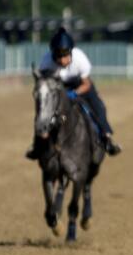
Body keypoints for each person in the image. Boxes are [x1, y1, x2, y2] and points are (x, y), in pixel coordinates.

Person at [27, 28, 121, 158]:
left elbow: (87, 84)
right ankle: (37, 144)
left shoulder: (80, 59)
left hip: (80, 85)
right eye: (58, 56)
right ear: (53, 54)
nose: (62, 60)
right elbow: (45, 85)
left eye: (65, 55)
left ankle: (107, 138)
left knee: (98, 106)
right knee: (44, 110)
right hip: (58, 87)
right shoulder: (46, 62)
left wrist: (74, 93)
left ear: (71, 52)